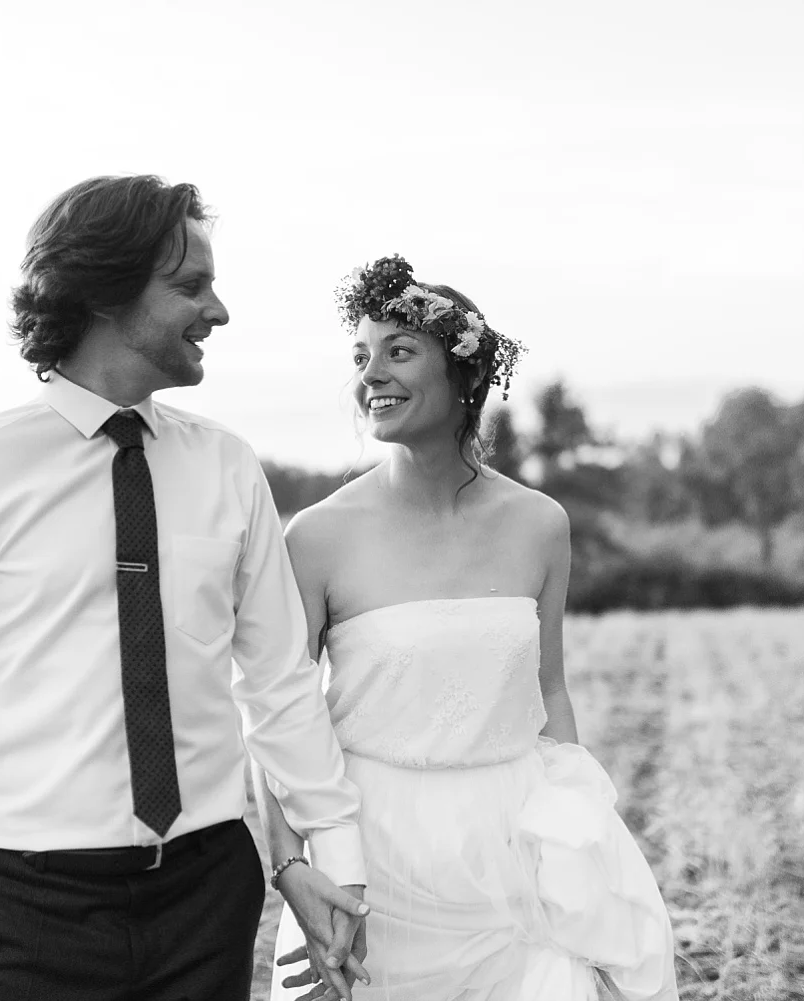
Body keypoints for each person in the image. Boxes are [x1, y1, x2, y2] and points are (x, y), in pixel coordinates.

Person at [0, 174, 370, 1001]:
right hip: (29, 910)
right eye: (190, 285)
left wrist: (332, 856)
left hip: (208, 897)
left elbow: (279, 682)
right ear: (104, 293)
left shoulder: (228, 466)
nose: (219, 311)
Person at [257, 257, 681, 1000]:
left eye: (398, 351)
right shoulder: (317, 536)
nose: (370, 375)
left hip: (511, 845)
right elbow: (278, 714)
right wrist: (293, 866)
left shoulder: (540, 524)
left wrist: (579, 838)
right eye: (360, 355)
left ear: (467, 372)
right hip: (370, 856)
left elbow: (550, 689)